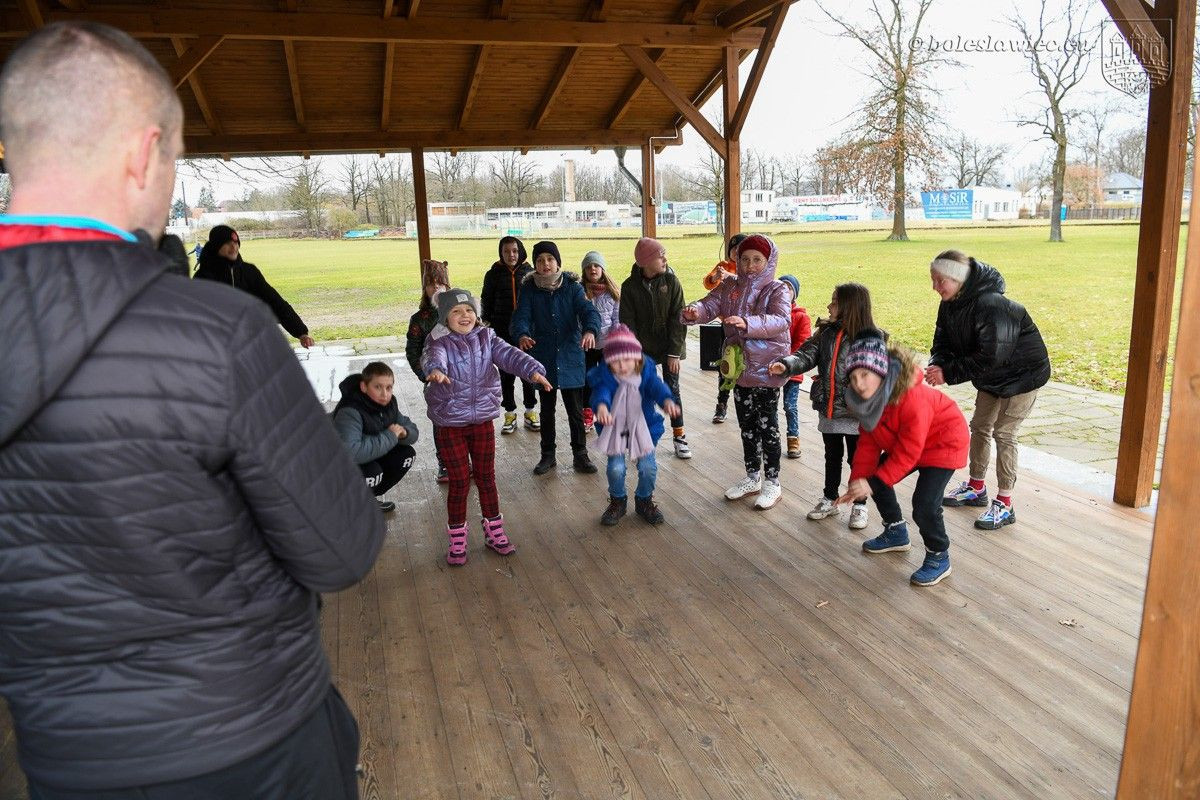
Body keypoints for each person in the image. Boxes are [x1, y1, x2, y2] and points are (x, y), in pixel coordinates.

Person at [0, 21, 382, 799]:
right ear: (143, 152)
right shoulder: (215, 334)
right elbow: (341, 549)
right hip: (253, 739)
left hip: (65, 757)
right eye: (174, 158)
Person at [422, 289, 551, 565]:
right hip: (450, 421)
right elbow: (434, 358)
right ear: (445, 317)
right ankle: (457, 538)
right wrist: (435, 370)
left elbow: (510, 355)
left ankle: (494, 531)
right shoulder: (438, 340)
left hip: (481, 419)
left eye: (468, 310)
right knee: (458, 482)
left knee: (486, 477)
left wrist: (532, 370)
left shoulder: (487, 337)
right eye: (456, 312)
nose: (464, 316)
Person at [926, 249, 1052, 530]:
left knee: (1004, 433)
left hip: (1022, 375)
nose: (935, 287)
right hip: (990, 375)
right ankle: (976, 487)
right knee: (980, 427)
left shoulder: (993, 305)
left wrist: (948, 373)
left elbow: (992, 355)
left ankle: (1005, 504)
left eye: (940, 280)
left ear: (958, 279)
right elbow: (942, 340)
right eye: (933, 279)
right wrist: (938, 364)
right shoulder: (950, 303)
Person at [838, 334, 969, 586]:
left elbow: (909, 453)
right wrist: (858, 483)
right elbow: (868, 445)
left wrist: (872, 483)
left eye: (865, 375)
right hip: (908, 444)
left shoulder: (912, 398)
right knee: (874, 477)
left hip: (943, 442)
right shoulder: (867, 403)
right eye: (853, 378)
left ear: (881, 372)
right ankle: (896, 531)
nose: (859, 384)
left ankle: (938, 555)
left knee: (924, 504)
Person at [682, 234, 791, 509]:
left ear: (768, 261)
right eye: (745, 259)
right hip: (738, 369)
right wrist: (694, 311)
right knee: (747, 426)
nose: (751, 265)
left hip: (767, 370)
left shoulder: (777, 289)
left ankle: (772, 482)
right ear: (737, 260)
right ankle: (753, 476)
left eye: (757, 260)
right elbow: (710, 304)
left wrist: (746, 323)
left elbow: (780, 320)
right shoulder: (730, 285)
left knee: (769, 428)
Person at [769, 282, 878, 531]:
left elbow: (877, 376)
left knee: (858, 460)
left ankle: (860, 503)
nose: (829, 306)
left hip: (856, 414)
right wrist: (786, 364)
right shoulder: (825, 333)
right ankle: (830, 498)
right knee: (832, 456)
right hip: (829, 409)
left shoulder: (870, 339)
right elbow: (805, 354)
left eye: (835, 302)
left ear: (850, 307)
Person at [510, 240, 603, 476]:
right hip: (545, 358)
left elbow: (589, 311)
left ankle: (580, 455)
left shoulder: (573, 287)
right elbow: (521, 316)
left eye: (550, 259)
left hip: (571, 355)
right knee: (547, 410)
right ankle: (547, 455)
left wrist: (590, 330)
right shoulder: (529, 290)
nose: (545, 264)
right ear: (535, 265)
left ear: (557, 262)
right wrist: (522, 334)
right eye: (540, 260)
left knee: (576, 409)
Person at [587, 324, 680, 526]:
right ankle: (617, 501)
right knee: (616, 468)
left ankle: (644, 500)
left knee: (648, 467)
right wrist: (602, 407)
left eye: (628, 360)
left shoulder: (645, 371)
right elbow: (600, 393)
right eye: (616, 362)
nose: (622, 366)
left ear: (637, 358)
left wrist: (666, 400)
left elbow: (656, 386)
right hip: (616, 428)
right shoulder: (606, 376)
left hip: (643, 427)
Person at [619, 237, 691, 458]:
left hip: (669, 346)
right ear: (646, 262)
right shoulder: (629, 287)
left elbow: (678, 319)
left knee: (672, 390)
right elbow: (627, 324)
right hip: (642, 350)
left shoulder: (672, 282)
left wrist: (674, 353)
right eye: (661, 256)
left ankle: (679, 436)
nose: (665, 260)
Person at [193, 224, 315, 348]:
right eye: (228, 243)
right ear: (216, 246)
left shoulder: (249, 272)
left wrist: (300, 332)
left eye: (236, 243)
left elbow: (275, 302)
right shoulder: (203, 277)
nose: (234, 247)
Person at [332, 361, 420, 513]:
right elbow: (352, 453)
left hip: (367, 453)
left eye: (389, 387)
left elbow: (411, 429)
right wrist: (390, 436)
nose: (384, 394)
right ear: (364, 387)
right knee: (373, 473)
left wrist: (404, 433)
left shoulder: (389, 404)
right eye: (377, 387)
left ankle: (367, 500)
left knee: (407, 455)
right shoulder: (350, 411)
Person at [480, 235, 539, 434]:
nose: (511, 255)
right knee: (506, 374)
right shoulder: (493, 274)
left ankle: (531, 411)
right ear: (501, 253)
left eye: (514, 251)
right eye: (506, 251)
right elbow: (486, 299)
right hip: (501, 329)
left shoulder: (530, 272)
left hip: (526, 331)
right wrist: (486, 322)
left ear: (520, 251)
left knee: (527, 372)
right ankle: (510, 413)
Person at [406, 257, 451, 483]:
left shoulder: (460, 312)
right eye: (431, 284)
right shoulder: (419, 319)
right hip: (434, 380)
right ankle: (444, 462)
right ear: (425, 288)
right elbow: (412, 350)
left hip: (461, 379)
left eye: (440, 283)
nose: (436, 288)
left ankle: (464, 461)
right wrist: (424, 375)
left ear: (447, 286)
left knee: (464, 421)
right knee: (441, 421)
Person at [705, 232, 746, 423]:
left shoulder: (750, 267)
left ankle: (745, 406)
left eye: (741, 248)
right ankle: (721, 404)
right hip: (727, 324)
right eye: (734, 248)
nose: (736, 251)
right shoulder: (723, 265)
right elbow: (708, 283)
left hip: (747, 325)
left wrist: (732, 276)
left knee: (745, 364)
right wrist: (715, 276)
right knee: (726, 362)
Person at [580, 250, 621, 431]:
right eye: (588, 267)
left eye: (596, 265)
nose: (593, 269)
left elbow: (617, 319)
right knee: (587, 380)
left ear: (602, 269)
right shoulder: (580, 292)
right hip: (586, 346)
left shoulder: (612, 294)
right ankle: (587, 412)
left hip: (606, 345)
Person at [777, 274, 812, 459]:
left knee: (790, 406)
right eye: (781, 287)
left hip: (792, 370)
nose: (784, 291)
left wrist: (787, 363)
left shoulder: (801, 317)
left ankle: (793, 439)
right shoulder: (771, 313)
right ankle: (771, 439)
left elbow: (802, 344)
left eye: (789, 288)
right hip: (772, 370)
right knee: (770, 406)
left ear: (795, 294)